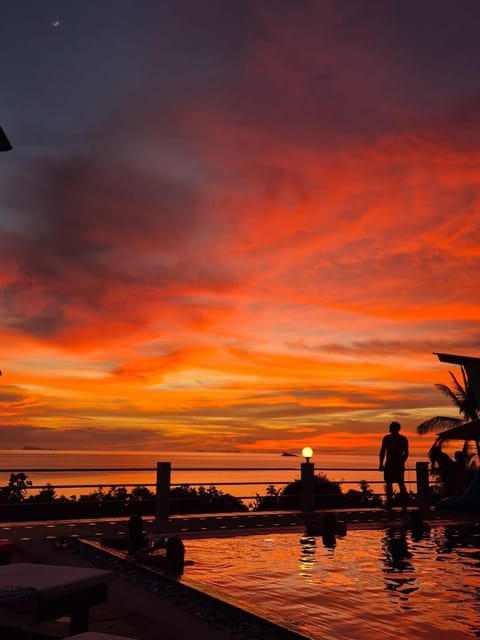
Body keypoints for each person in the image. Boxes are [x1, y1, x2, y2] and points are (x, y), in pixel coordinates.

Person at [379, 421, 409, 508]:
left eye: (391, 427)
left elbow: (406, 453)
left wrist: (381, 463)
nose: (390, 428)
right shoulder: (399, 438)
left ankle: (398, 503)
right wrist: (381, 463)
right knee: (394, 483)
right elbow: (383, 451)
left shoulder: (398, 439)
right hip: (392, 464)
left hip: (393, 464)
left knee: (397, 483)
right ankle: (395, 503)